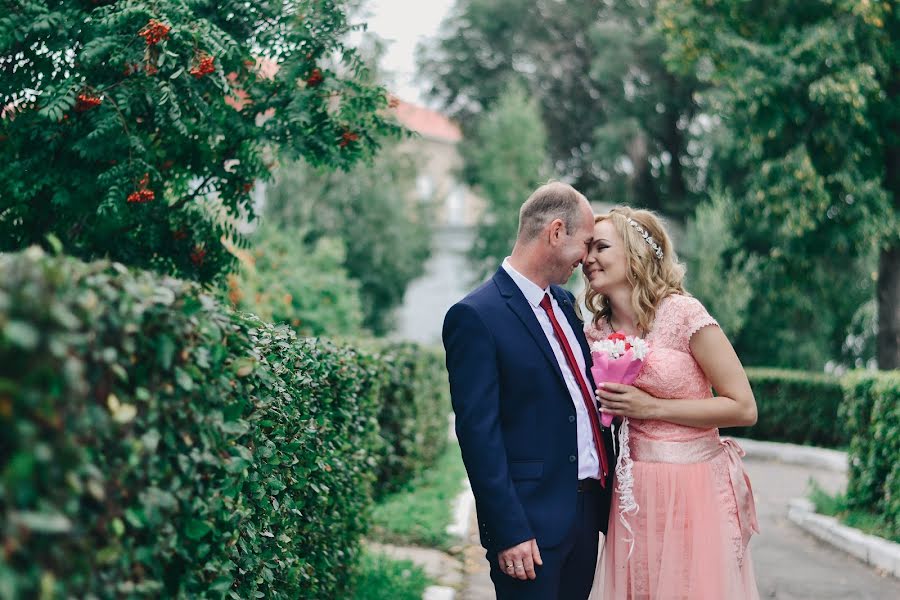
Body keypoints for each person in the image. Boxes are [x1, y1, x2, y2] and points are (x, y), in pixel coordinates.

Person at [442, 182, 616, 599]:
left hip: (586, 513)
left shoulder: (564, 303)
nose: (587, 258)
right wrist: (508, 531)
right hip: (529, 528)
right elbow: (478, 435)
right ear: (556, 232)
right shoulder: (475, 316)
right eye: (586, 243)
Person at [583, 206, 760, 600]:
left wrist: (653, 408)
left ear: (635, 254)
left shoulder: (682, 314)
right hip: (633, 492)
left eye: (601, 247)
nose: (587, 259)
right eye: (586, 249)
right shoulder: (595, 332)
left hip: (694, 486)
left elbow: (743, 407)